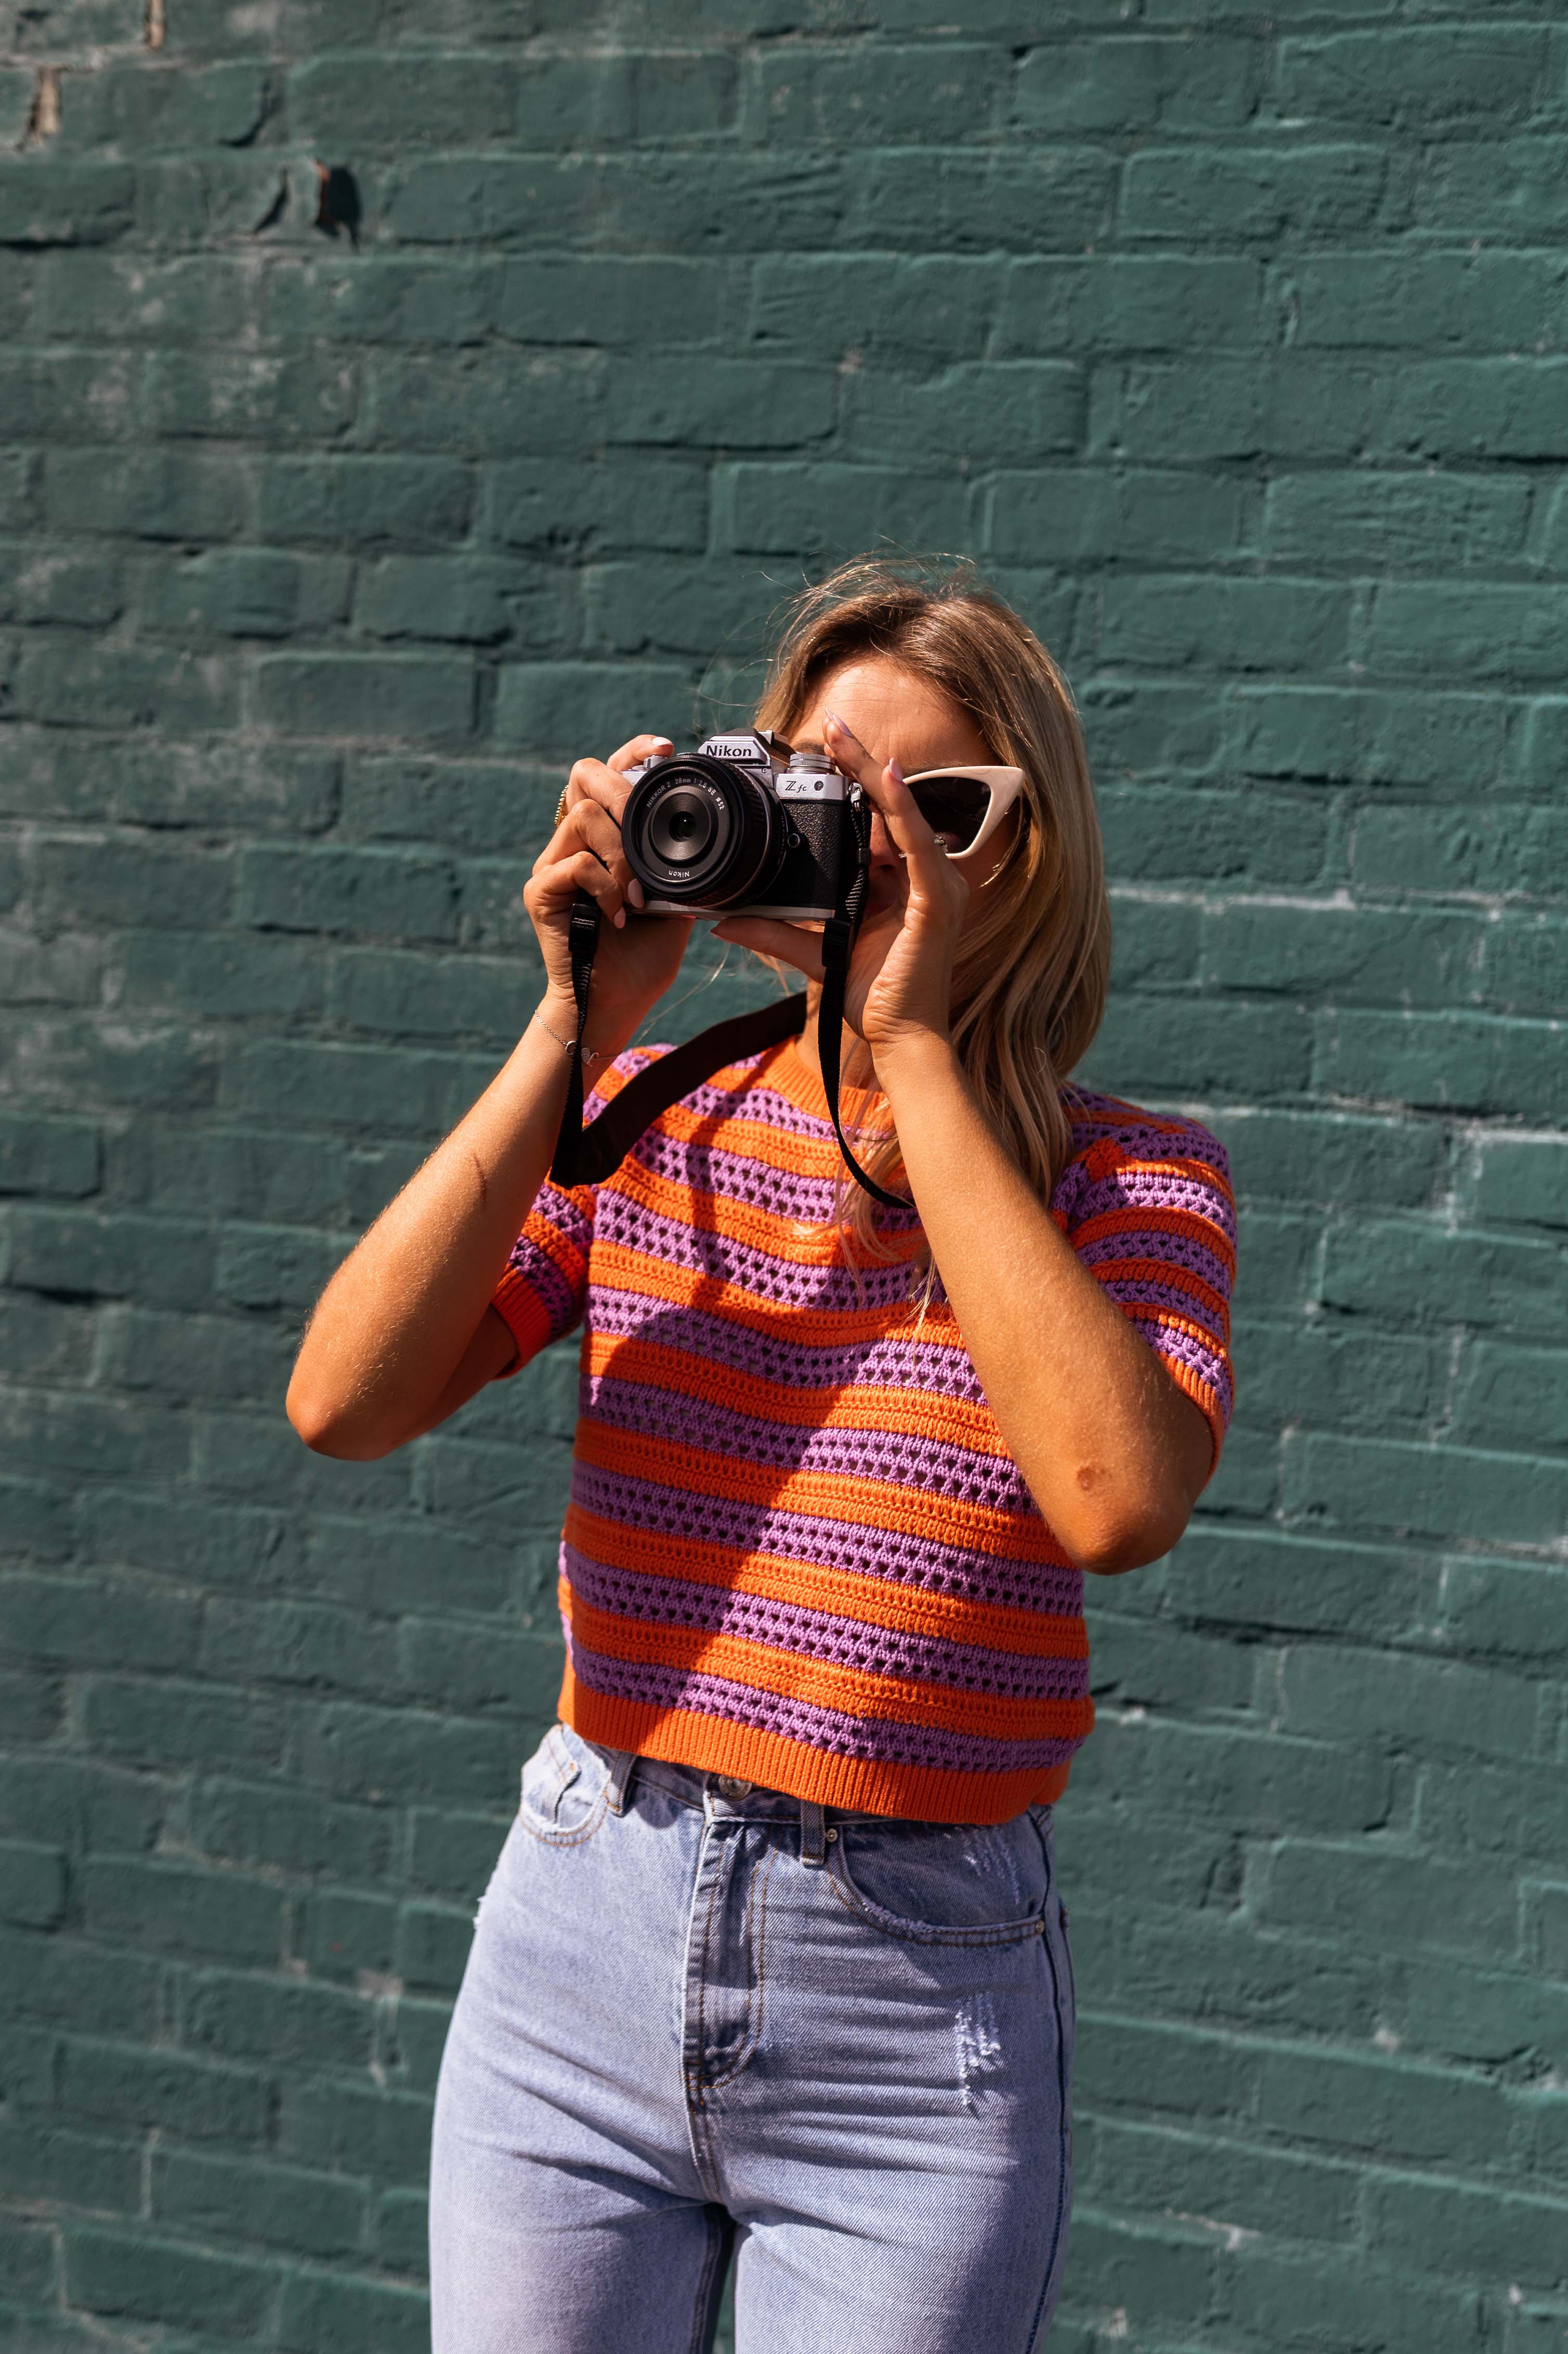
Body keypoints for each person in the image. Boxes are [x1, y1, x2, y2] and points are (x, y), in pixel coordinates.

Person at [286, 557, 1237, 2353]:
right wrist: (578, 1025)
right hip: (585, 1930)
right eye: (817, 791)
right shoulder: (662, 1131)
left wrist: (917, 1048)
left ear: (1014, 852)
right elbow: (346, 1397)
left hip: (916, 2001)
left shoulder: (1134, 1186)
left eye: (915, 815)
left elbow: (1119, 1501)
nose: (862, 853)